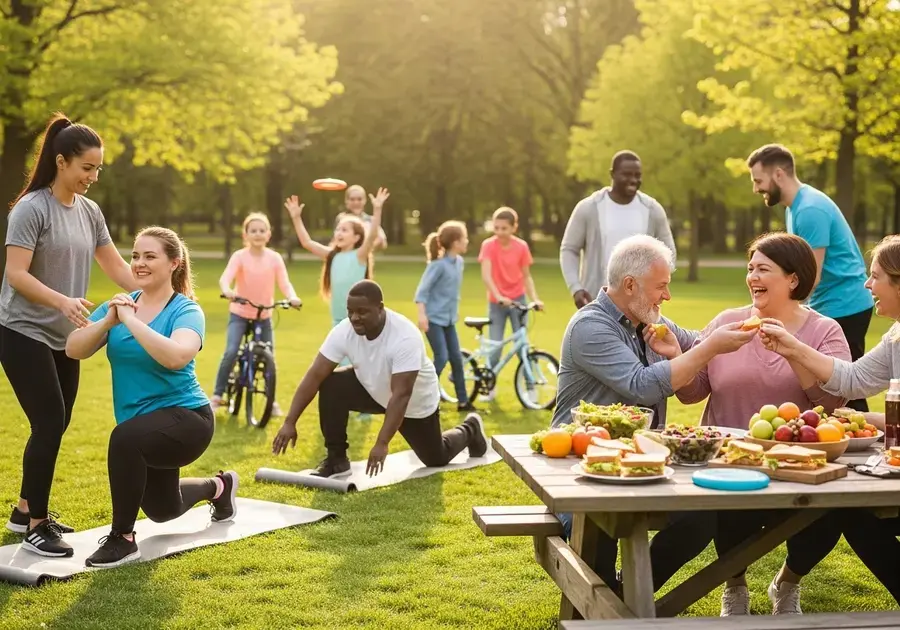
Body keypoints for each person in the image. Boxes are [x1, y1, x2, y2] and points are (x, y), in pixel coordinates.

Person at [551, 234, 757, 597]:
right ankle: (611, 606)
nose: (667, 296)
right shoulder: (590, 327)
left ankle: (629, 594)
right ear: (630, 285)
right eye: (661, 286)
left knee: (701, 516)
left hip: (643, 465)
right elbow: (641, 385)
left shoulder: (647, 320)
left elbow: (697, 340)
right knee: (597, 528)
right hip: (582, 468)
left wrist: (754, 320)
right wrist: (709, 347)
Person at [675, 232, 851, 616]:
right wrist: (677, 355)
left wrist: (791, 352)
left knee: (828, 516)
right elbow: (692, 393)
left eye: (763, 269)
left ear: (792, 279)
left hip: (798, 464)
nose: (752, 276)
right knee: (729, 515)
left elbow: (834, 402)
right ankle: (734, 587)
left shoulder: (825, 331)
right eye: (750, 267)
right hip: (730, 461)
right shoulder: (727, 322)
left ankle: (787, 583)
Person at [0, 113, 137, 556]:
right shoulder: (31, 209)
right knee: (48, 421)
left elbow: (116, 266)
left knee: (57, 423)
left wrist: (158, 291)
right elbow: (16, 274)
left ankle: (24, 510)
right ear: (61, 162)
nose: (93, 177)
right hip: (22, 330)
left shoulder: (90, 212)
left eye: (98, 169)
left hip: (66, 336)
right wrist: (61, 300)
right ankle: (38, 524)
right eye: (86, 168)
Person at [66, 226, 238, 568]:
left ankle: (123, 538)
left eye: (150, 256)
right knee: (163, 509)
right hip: (146, 427)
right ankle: (219, 487)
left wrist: (130, 321)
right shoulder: (118, 307)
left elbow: (176, 356)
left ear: (174, 263)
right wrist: (108, 322)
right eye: (135, 256)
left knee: (124, 439)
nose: (139, 263)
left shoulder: (186, 311)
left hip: (188, 420)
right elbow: (73, 348)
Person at [759, 234, 900, 606]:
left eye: (876, 277)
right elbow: (852, 379)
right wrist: (793, 347)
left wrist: (869, 417)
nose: (867, 285)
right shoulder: (896, 336)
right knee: (853, 513)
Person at [271, 280, 488, 478]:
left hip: (413, 402)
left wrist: (382, 443)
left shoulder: (405, 336)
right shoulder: (344, 331)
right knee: (330, 383)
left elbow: (402, 394)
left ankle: (471, 428)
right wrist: (290, 421)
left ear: (380, 308)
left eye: (362, 312)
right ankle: (336, 459)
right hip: (372, 388)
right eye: (350, 311)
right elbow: (315, 375)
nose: (355, 317)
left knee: (436, 458)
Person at [747, 144, 874, 412]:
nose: (756, 189)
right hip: (835, 301)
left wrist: (787, 310)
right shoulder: (797, 206)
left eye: (759, 181)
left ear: (779, 174)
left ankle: (859, 445)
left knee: (844, 388)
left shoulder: (809, 210)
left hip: (844, 304)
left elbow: (809, 276)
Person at [560, 150, 677, 310]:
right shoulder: (589, 208)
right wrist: (576, 288)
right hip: (597, 303)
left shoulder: (652, 209)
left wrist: (654, 287)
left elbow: (669, 254)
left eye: (637, 175)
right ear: (612, 174)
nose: (633, 180)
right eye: (627, 174)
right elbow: (569, 249)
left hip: (641, 306)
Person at [210, 212, 302, 415]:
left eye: (262, 230)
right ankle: (217, 396)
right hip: (240, 312)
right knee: (232, 351)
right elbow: (226, 279)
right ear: (246, 235)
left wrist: (292, 297)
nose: (258, 234)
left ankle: (271, 401)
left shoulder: (274, 258)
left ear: (269, 234)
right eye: (253, 231)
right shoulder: (240, 256)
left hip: (264, 315)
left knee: (269, 356)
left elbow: (285, 284)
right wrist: (228, 291)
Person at [285, 188, 387, 329]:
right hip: (338, 322)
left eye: (344, 230)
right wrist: (296, 217)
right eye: (338, 229)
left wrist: (377, 209)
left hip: (359, 321)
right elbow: (307, 243)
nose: (339, 233)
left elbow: (372, 235)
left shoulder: (360, 255)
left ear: (356, 237)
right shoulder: (332, 256)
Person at [478, 207, 542, 402]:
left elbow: (526, 276)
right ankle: (489, 387)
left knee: (523, 347)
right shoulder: (488, 245)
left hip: (518, 301)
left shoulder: (521, 247)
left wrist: (535, 299)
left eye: (504, 228)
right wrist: (498, 296)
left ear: (514, 227)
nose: (499, 232)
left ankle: (530, 388)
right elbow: (486, 276)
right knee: (496, 347)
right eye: (496, 228)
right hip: (496, 304)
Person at [414, 220, 475, 412]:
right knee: (441, 358)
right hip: (433, 319)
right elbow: (422, 292)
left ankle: (463, 402)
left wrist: (453, 309)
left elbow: (450, 290)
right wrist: (422, 316)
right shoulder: (437, 266)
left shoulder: (459, 262)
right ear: (456, 242)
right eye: (464, 238)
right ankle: (421, 398)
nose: (467, 241)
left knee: (456, 358)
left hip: (448, 319)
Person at [336, 184, 387, 251]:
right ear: (346, 201)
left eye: (359, 199)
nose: (356, 202)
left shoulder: (370, 220)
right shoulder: (342, 219)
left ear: (365, 201)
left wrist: (365, 249)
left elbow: (382, 242)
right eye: (352, 199)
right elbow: (336, 242)